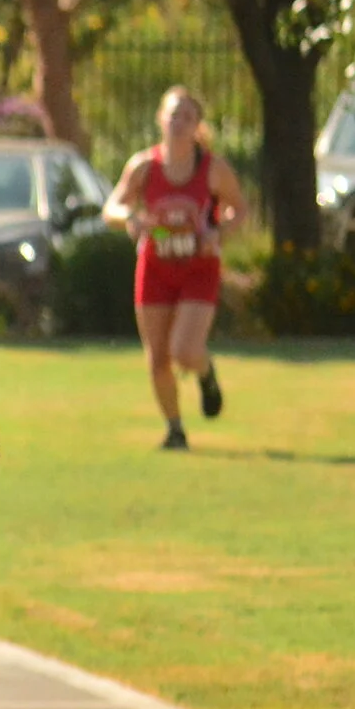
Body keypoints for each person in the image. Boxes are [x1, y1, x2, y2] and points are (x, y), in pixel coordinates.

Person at [103, 86, 246, 450]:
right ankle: (175, 429)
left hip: (199, 267)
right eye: (173, 115)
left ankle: (205, 372)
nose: (179, 123)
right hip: (155, 267)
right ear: (160, 119)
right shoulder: (144, 167)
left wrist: (218, 232)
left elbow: (239, 209)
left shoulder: (212, 169)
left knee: (184, 349)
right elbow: (111, 208)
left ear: (197, 126)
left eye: (187, 117)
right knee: (158, 357)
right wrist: (130, 218)